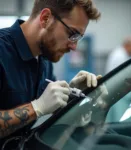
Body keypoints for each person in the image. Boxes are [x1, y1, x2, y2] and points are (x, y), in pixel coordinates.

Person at [0, 0, 102, 143]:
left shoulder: (44, 59)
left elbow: (50, 105)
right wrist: (36, 108)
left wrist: (70, 98)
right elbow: (41, 106)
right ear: (45, 18)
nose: (74, 46)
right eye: (72, 33)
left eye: (78, 38)